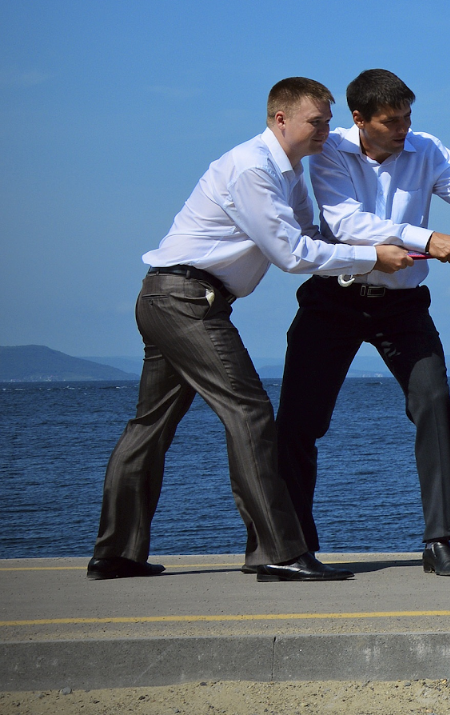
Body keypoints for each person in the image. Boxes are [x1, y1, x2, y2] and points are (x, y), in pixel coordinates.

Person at [90, 78, 408, 582]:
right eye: (317, 121)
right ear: (281, 119)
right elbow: (293, 255)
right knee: (251, 413)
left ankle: (116, 554)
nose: (327, 130)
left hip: (173, 298)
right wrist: (374, 256)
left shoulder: (289, 174)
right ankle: (278, 551)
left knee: (149, 427)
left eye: (329, 120)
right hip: (187, 301)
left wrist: (393, 237)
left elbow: (313, 235)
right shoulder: (252, 170)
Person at [275, 69, 450, 580]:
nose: (404, 128)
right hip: (333, 300)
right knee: (300, 422)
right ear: (360, 119)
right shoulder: (330, 150)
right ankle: (291, 546)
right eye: (391, 121)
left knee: (435, 406)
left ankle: (440, 542)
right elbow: (344, 224)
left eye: (408, 117)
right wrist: (425, 238)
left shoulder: (426, 148)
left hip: (403, 306)